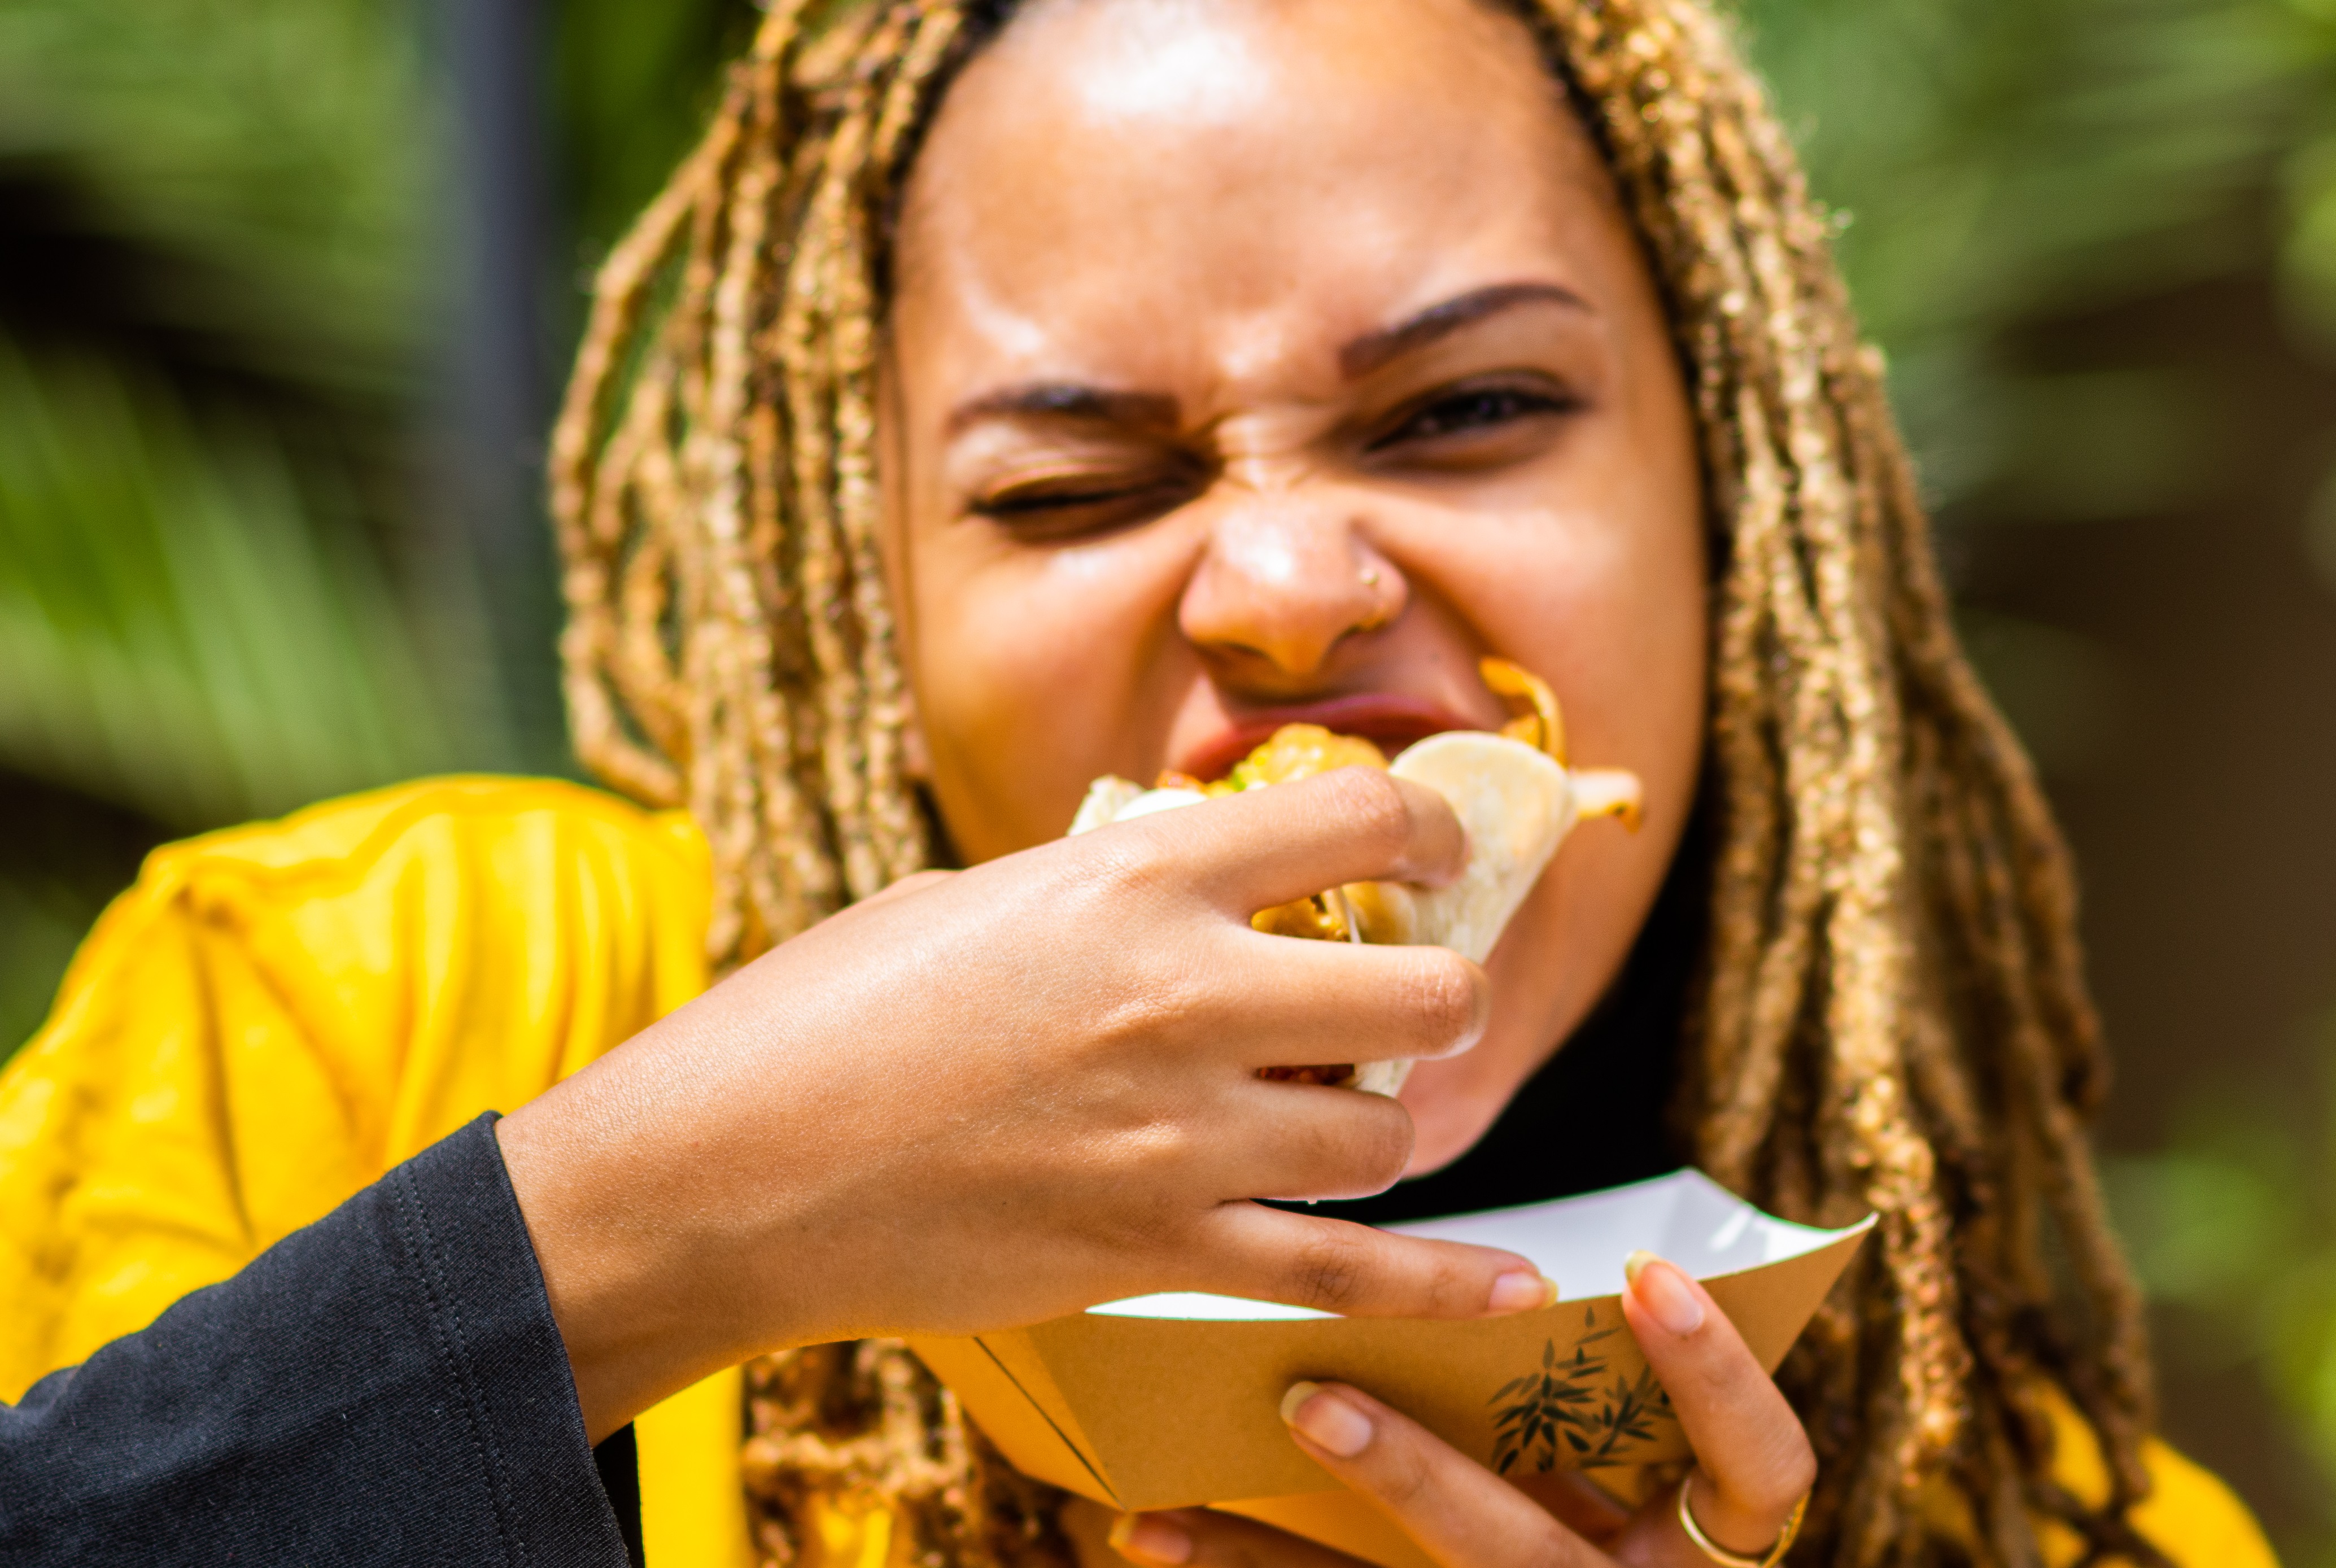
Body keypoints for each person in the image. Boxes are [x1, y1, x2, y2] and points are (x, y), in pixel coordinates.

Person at [0, 0, 2281, 1564]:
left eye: (1467, 409)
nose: (1285, 588)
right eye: (1077, 481)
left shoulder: (2038, 1515)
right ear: (860, 596)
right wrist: (633, 1242)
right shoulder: (379, 1017)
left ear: (1743, 509)